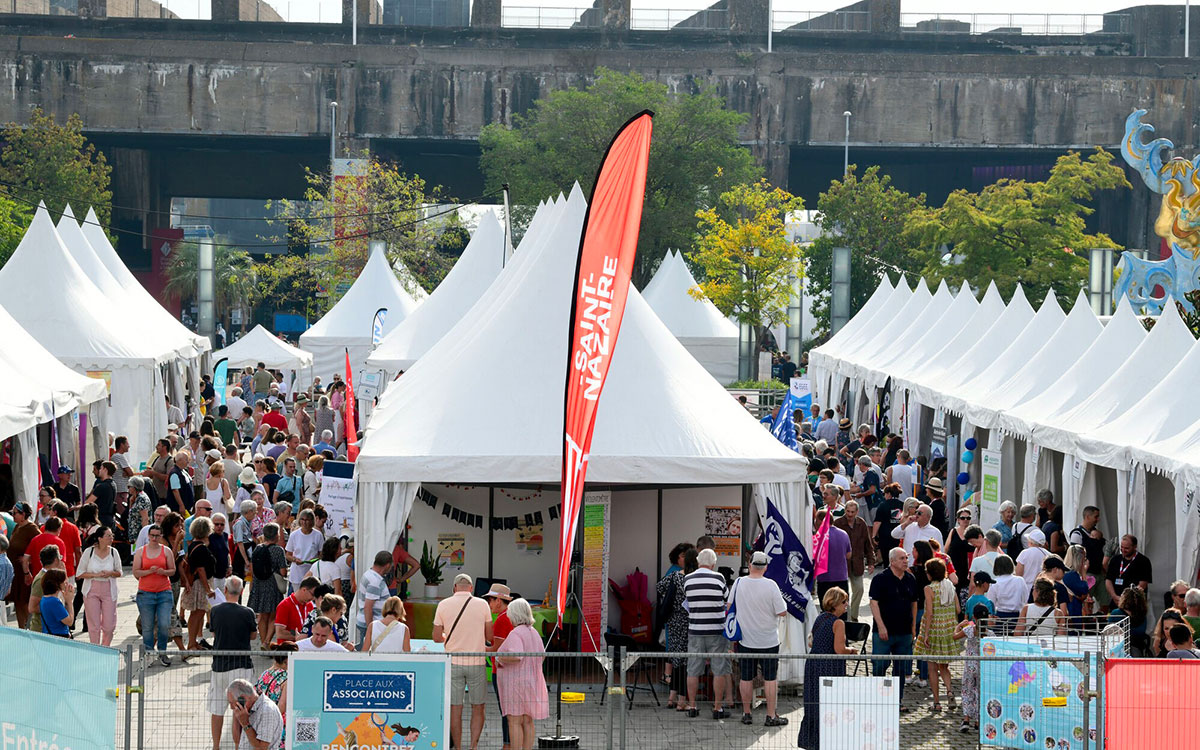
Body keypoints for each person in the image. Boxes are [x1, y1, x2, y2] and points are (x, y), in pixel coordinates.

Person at [433, 573, 493, 750]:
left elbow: (436, 637)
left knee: (455, 708)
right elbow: (489, 636)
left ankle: (458, 747)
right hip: (477, 663)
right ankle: (473, 746)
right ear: (471, 588)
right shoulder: (483, 604)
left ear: (454, 588)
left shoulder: (443, 605)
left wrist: (448, 638)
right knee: (478, 707)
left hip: (453, 663)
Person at [730, 551, 789, 727]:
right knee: (770, 678)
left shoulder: (739, 582)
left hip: (746, 640)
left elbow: (728, 606)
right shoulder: (771, 585)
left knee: (746, 677)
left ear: (749, 565)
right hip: (769, 640)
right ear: (766, 567)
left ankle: (747, 713)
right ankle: (770, 715)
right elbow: (782, 611)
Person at [797, 587, 856, 749]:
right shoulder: (838, 623)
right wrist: (851, 651)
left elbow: (811, 641)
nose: (846, 605)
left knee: (813, 703)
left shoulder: (821, 618)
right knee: (830, 704)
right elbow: (839, 649)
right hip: (829, 666)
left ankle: (811, 742)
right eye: (844, 602)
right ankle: (828, 741)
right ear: (835, 604)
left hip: (814, 664)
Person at [210, 577, 259, 750]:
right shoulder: (247, 612)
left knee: (217, 708)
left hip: (220, 665)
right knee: (240, 709)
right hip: (241, 665)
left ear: (225, 590)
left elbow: (214, 633)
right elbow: (253, 636)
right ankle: (238, 746)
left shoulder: (215, 611)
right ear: (241, 592)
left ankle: (216, 745)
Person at [682, 547, 732, 718]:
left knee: (693, 669)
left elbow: (687, 600)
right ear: (713, 563)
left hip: (695, 630)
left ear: (698, 562)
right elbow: (727, 600)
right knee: (719, 670)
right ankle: (717, 708)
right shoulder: (719, 577)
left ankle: (692, 706)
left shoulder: (687, 579)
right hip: (717, 630)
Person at [495, 597, 549, 750]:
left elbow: (516, 655)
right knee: (527, 720)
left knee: (514, 721)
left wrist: (500, 658)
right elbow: (542, 655)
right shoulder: (534, 632)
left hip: (515, 683)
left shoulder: (515, 633)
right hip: (531, 680)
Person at [870, 547, 919, 709]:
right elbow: (874, 603)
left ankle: (897, 700)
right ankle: (878, 700)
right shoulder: (880, 579)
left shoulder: (910, 579)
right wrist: (881, 626)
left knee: (901, 669)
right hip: (883, 632)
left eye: (906, 558)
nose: (906, 561)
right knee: (879, 666)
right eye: (902, 558)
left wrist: (913, 628)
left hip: (904, 632)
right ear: (892, 561)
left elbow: (914, 603)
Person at [914, 558, 959, 710]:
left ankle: (937, 703)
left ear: (930, 574)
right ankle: (950, 691)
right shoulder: (950, 586)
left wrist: (925, 634)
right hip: (949, 628)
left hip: (934, 629)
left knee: (932, 668)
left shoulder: (929, 588)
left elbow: (930, 613)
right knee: (944, 667)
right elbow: (958, 609)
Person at [133, 523, 175, 664]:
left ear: (161, 536)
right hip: (146, 593)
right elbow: (136, 572)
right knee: (147, 626)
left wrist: (164, 572)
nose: (154, 538)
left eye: (157, 535)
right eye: (152, 535)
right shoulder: (140, 551)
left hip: (164, 592)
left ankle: (162, 652)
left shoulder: (166, 551)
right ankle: (149, 653)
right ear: (148, 536)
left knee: (164, 624)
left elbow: (173, 570)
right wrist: (149, 571)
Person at [656, 548, 690, 711]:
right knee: (684, 662)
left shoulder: (675, 575)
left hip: (673, 621)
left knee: (676, 660)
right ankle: (682, 700)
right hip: (688, 622)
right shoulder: (693, 578)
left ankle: (671, 697)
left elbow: (659, 586)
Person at [79, 525, 122, 646]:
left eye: (111, 536)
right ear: (99, 538)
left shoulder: (114, 552)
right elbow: (80, 573)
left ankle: (105, 646)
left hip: (109, 589)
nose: (111, 538)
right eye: (108, 536)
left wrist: (110, 573)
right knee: (94, 626)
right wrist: (95, 574)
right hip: (91, 589)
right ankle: (95, 649)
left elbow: (119, 572)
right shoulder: (89, 552)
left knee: (109, 626)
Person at [954, 603, 994, 733]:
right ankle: (978, 720)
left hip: (970, 665)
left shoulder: (970, 630)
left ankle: (966, 719)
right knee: (979, 692)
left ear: (974, 618)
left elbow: (954, 637)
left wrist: (959, 626)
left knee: (967, 690)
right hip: (983, 665)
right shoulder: (990, 634)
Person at [834, 499, 876, 622]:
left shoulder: (861, 523)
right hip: (842, 564)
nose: (850, 514)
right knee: (843, 592)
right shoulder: (838, 523)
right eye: (848, 511)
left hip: (857, 563)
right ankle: (845, 616)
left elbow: (868, 544)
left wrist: (871, 562)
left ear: (857, 511)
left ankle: (853, 616)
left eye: (852, 512)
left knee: (859, 589)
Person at [250, 523, 289, 647]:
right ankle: (267, 642)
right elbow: (283, 571)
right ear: (276, 535)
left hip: (259, 584)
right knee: (274, 615)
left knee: (262, 616)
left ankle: (263, 642)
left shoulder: (258, 548)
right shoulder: (278, 550)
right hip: (272, 585)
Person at [255, 643, 296, 746]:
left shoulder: (264, 674)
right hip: (279, 725)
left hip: (262, 722)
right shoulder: (287, 678)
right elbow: (282, 706)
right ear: (287, 660)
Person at [227, 678, 284, 750]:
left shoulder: (267, 710)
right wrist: (237, 718)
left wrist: (246, 724)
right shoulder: (247, 711)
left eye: (232, 703)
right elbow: (237, 741)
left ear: (243, 699)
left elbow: (261, 747)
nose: (231, 707)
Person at [814, 509, 851, 615]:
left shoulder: (819, 536)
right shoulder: (844, 534)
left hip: (825, 578)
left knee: (826, 610)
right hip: (841, 577)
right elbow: (848, 555)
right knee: (842, 608)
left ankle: (829, 630)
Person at [26, 545, 65, 634]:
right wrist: (54, 609)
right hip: (42, 630)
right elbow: (32, 608)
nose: (61, 560)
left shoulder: (52, 576)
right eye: (60, 557)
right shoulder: (41, 579)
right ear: (56, 560)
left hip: (51, 628)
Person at [1105, 534, 1152, 604]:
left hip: (1134, 603)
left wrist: (1127, 599)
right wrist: (1114, 596)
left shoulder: (1143, 561)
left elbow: (1143, 584)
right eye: (1122, 547)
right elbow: (1108, 580)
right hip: (1116, 601)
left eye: (1126, 548)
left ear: (1135, 547)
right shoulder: (1115, 560)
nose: (1123, 550)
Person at [987, 555, 1027, 635]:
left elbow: (991, 603)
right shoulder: (1020, 580)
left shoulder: (995, 583)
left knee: (1000, 643)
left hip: (1000, 617)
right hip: (1017, 617)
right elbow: (1025, 599)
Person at [273, 575, 319, 644]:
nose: (313, 598)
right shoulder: (284, 605)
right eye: (312, 594)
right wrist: (300, 637)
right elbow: (280, 633)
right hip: (288, 649)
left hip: (304, 648)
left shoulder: (310, 605)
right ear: (304, 590)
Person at [38, 568, 74, 637]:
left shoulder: (45, 599)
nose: (66, 583)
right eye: (63, 581)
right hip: (59, 636)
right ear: (57, 584)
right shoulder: (54, 602)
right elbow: (69, 621)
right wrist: (69, 602)